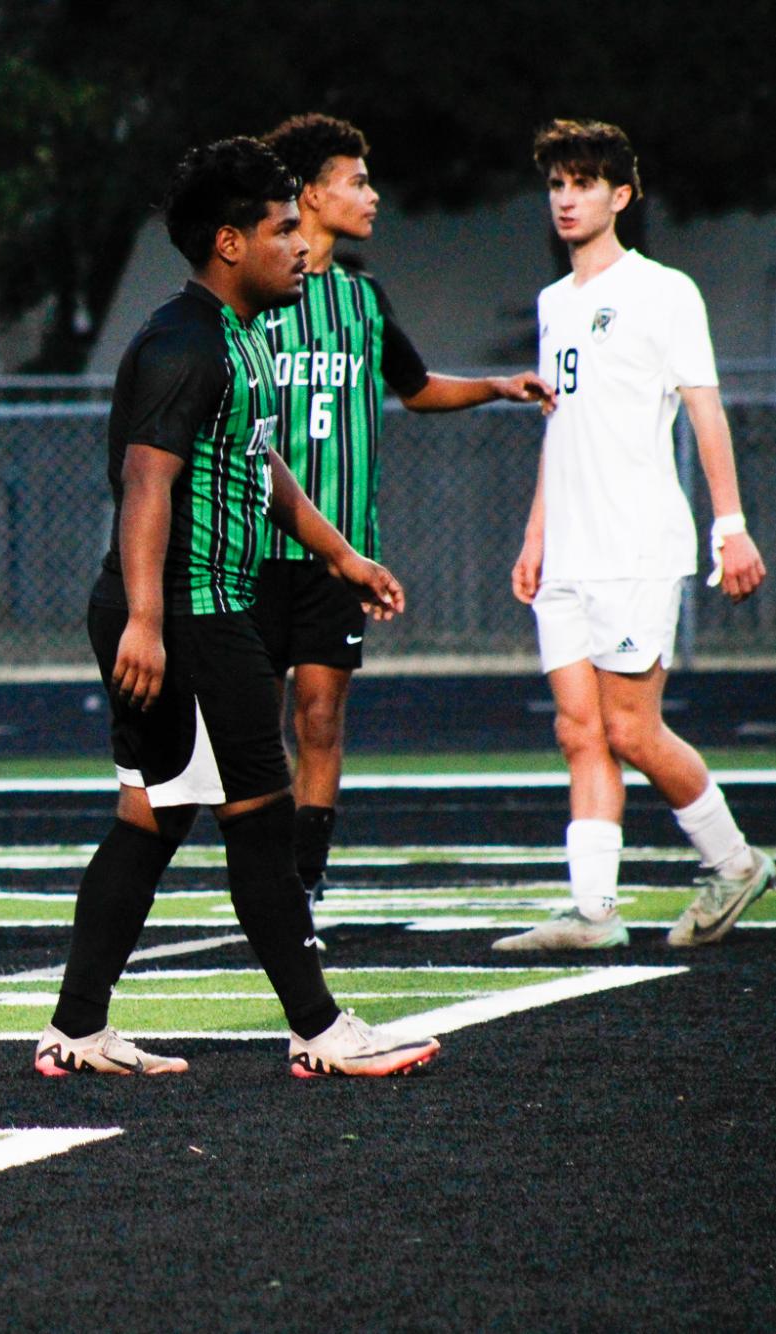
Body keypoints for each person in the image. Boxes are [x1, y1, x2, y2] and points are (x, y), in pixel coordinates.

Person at [36, 137, 439, 1079]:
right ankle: (321, 1032)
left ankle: (76, 1030)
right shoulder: (184, 343)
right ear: (228, 243)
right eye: (282, 230)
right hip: (186, 616)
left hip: (191, 610)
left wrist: (341, 554)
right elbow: (145, 485)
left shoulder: (242, 337)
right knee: (257, 818)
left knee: (152, 817)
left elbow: (258, 468)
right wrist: (145, 620)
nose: (301, 246)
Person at [254, 114, 552, 904]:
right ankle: (262, 867)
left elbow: (415, 389)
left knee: (320, 720)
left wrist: (495, 385)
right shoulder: (252, 294)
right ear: (310, 193)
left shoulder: (361, 297)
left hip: (340, 550)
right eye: (355, 181)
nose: (371, 196)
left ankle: (300, 882)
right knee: (254, 729)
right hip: (250, 547)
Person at [499, 119, 770, 951]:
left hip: (637, 544)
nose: (566, 199)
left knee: (630, 731)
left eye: (583, 183)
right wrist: (534, 533)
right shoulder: (552, 302)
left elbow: (702, 408)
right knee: (576, 730)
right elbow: (559, 425)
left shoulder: (663, 291)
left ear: (620, 195)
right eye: (555, 184)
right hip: (569, 553)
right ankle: (593, 914)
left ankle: (733, 864)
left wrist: (731, 525)